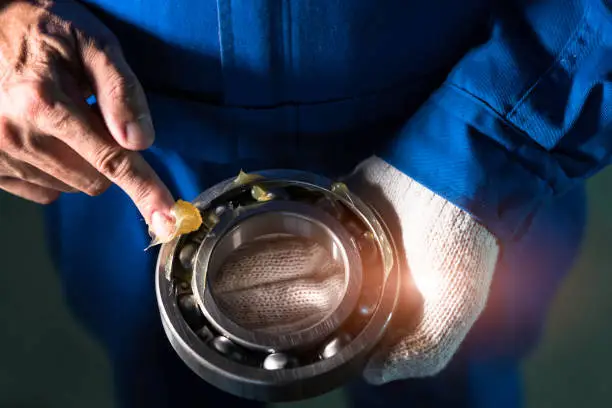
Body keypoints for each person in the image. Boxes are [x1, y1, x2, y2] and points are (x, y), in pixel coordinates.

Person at [0, 0, 609, 406]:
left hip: (464, 120)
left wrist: (491, 148)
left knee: (453, 376)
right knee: (161, 376)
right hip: (132, 133)